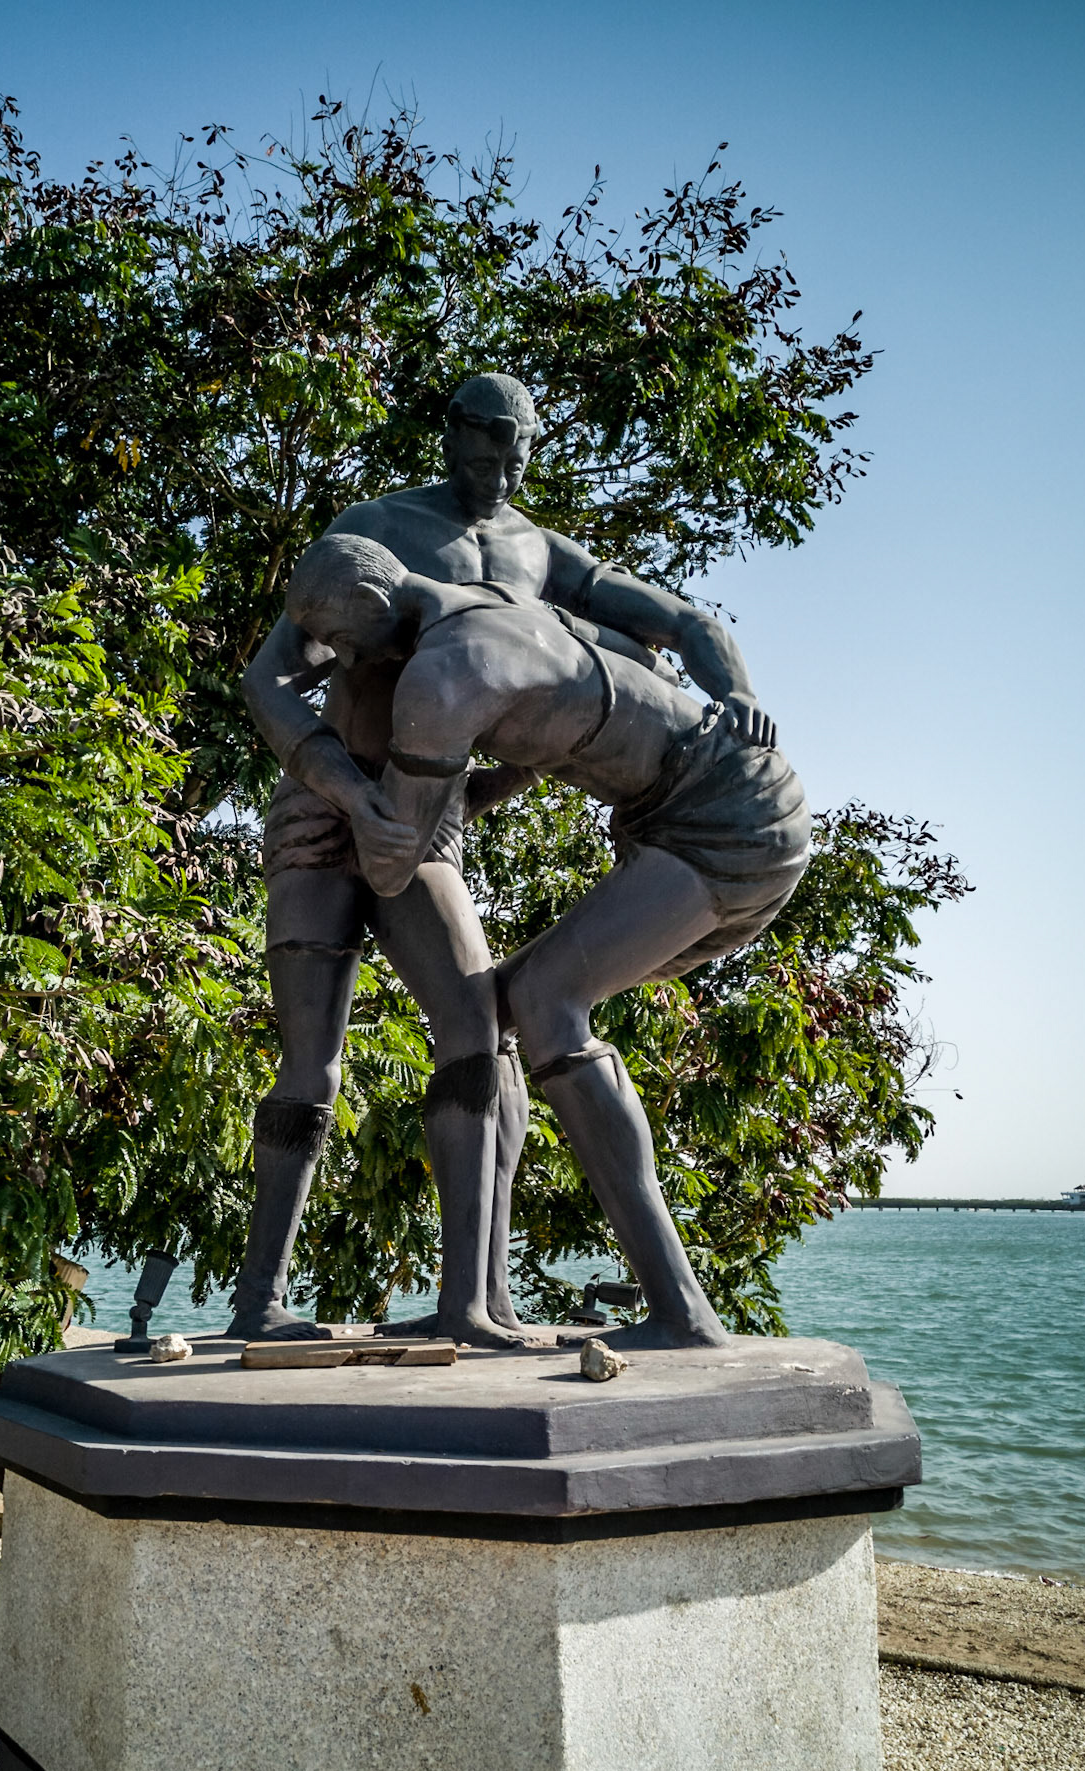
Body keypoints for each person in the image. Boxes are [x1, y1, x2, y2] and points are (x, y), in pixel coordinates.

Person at [235, 372, 757, 1342]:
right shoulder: (376, 527)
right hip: (322, 814)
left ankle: (470, 1301)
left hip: (423, 823)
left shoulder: (537, 553)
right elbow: (268, 678)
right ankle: (257, 1302)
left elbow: (639, 640)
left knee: (479, 1030)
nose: (498, 467)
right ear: (452, 434)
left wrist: (734, 697)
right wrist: (344, 792)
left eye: (515, 451)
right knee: (309, 1067)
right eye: (483, 447)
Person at [281, 533, 810, 1351]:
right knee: (494, 1014)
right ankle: (479, 1303)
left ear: (377, 610)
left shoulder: (440, 677)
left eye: (345, 644)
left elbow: (392, 867)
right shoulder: (508, 609)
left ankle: (682, 1312)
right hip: (686, 811)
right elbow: (635, 668)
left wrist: (340, 792)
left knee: (544, 999)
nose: (346, 664)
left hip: (724, 818)